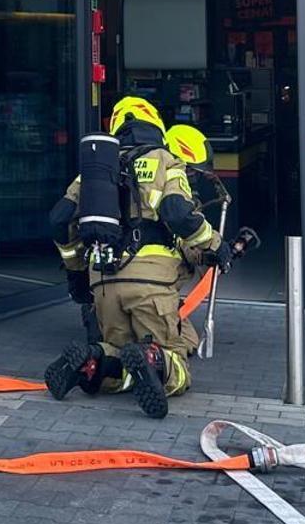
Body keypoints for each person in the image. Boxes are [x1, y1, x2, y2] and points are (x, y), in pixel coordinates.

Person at [41, 99, 220, 419]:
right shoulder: (165, 160)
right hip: (152, 282)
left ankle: (92, 362)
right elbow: (178, 213)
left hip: (104, 282)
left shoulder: (95, 172)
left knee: (118, 356)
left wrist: (77, 273)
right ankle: (153, 359)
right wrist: (214, 244)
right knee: (175, 363)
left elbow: (59, 222)